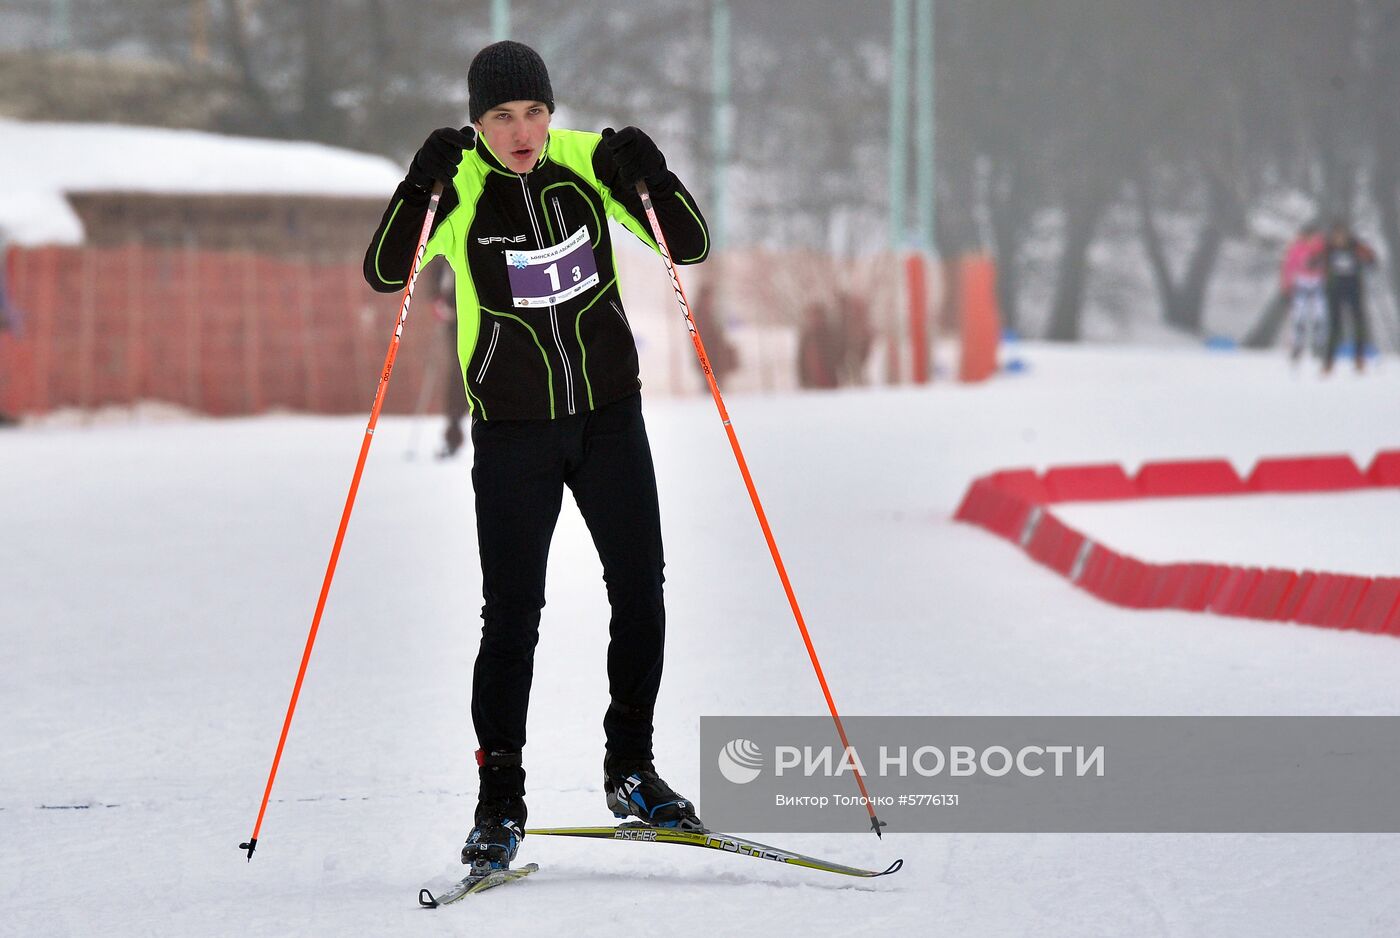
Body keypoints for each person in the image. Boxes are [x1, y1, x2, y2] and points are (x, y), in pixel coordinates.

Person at [362, 40, 710, 872]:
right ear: (477, 121)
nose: (521, 131)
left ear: (551, 111)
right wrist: (418, 186)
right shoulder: (462, 185)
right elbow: (386, 271)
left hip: (607, 421)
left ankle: (631, 770)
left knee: (640, 587)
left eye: (533, 112)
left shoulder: (589, 164)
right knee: (512, 613)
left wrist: (653, 175)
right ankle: (500, 801)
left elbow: (686, 245)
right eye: (500, 116)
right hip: (515, 432)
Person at [1320, 220, 1377, 374]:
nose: (1339, 239)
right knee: (1334, 326)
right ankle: (1328, 362)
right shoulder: (1328, 248)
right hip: (1334, 292)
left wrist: (1368, 257)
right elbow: (1316, 261)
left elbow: (1372, 259)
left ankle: (1359, 359)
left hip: (1354, 290)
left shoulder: (1355, 245)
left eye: (1342, 235)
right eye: (1336, 236)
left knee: (1358, 324)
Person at [1280, 222, 1325, 364]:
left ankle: (1319, 345)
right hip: (1302, 283)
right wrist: (1287, 286)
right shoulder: (1297, 248)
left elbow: (1329, 265)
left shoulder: (1322, 247)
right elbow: (1288, 267)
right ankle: (1297, 345)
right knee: (1299, 317)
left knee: (1320, 315)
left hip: (1318, 283)